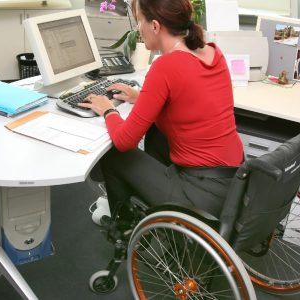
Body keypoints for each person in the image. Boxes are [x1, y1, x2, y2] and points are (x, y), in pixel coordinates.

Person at [79, 0, 244, 226]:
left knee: (114, 154)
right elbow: (191, 104)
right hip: (234, 181)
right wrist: (142, 99)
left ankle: (123, 225)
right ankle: (146, 207)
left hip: (201, 192)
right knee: (156, 133)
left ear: (155, 26)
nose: (139, 29)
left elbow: (125, 141)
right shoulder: (213, 53)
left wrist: (108, 110)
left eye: (140, 22)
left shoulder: (166, 66)